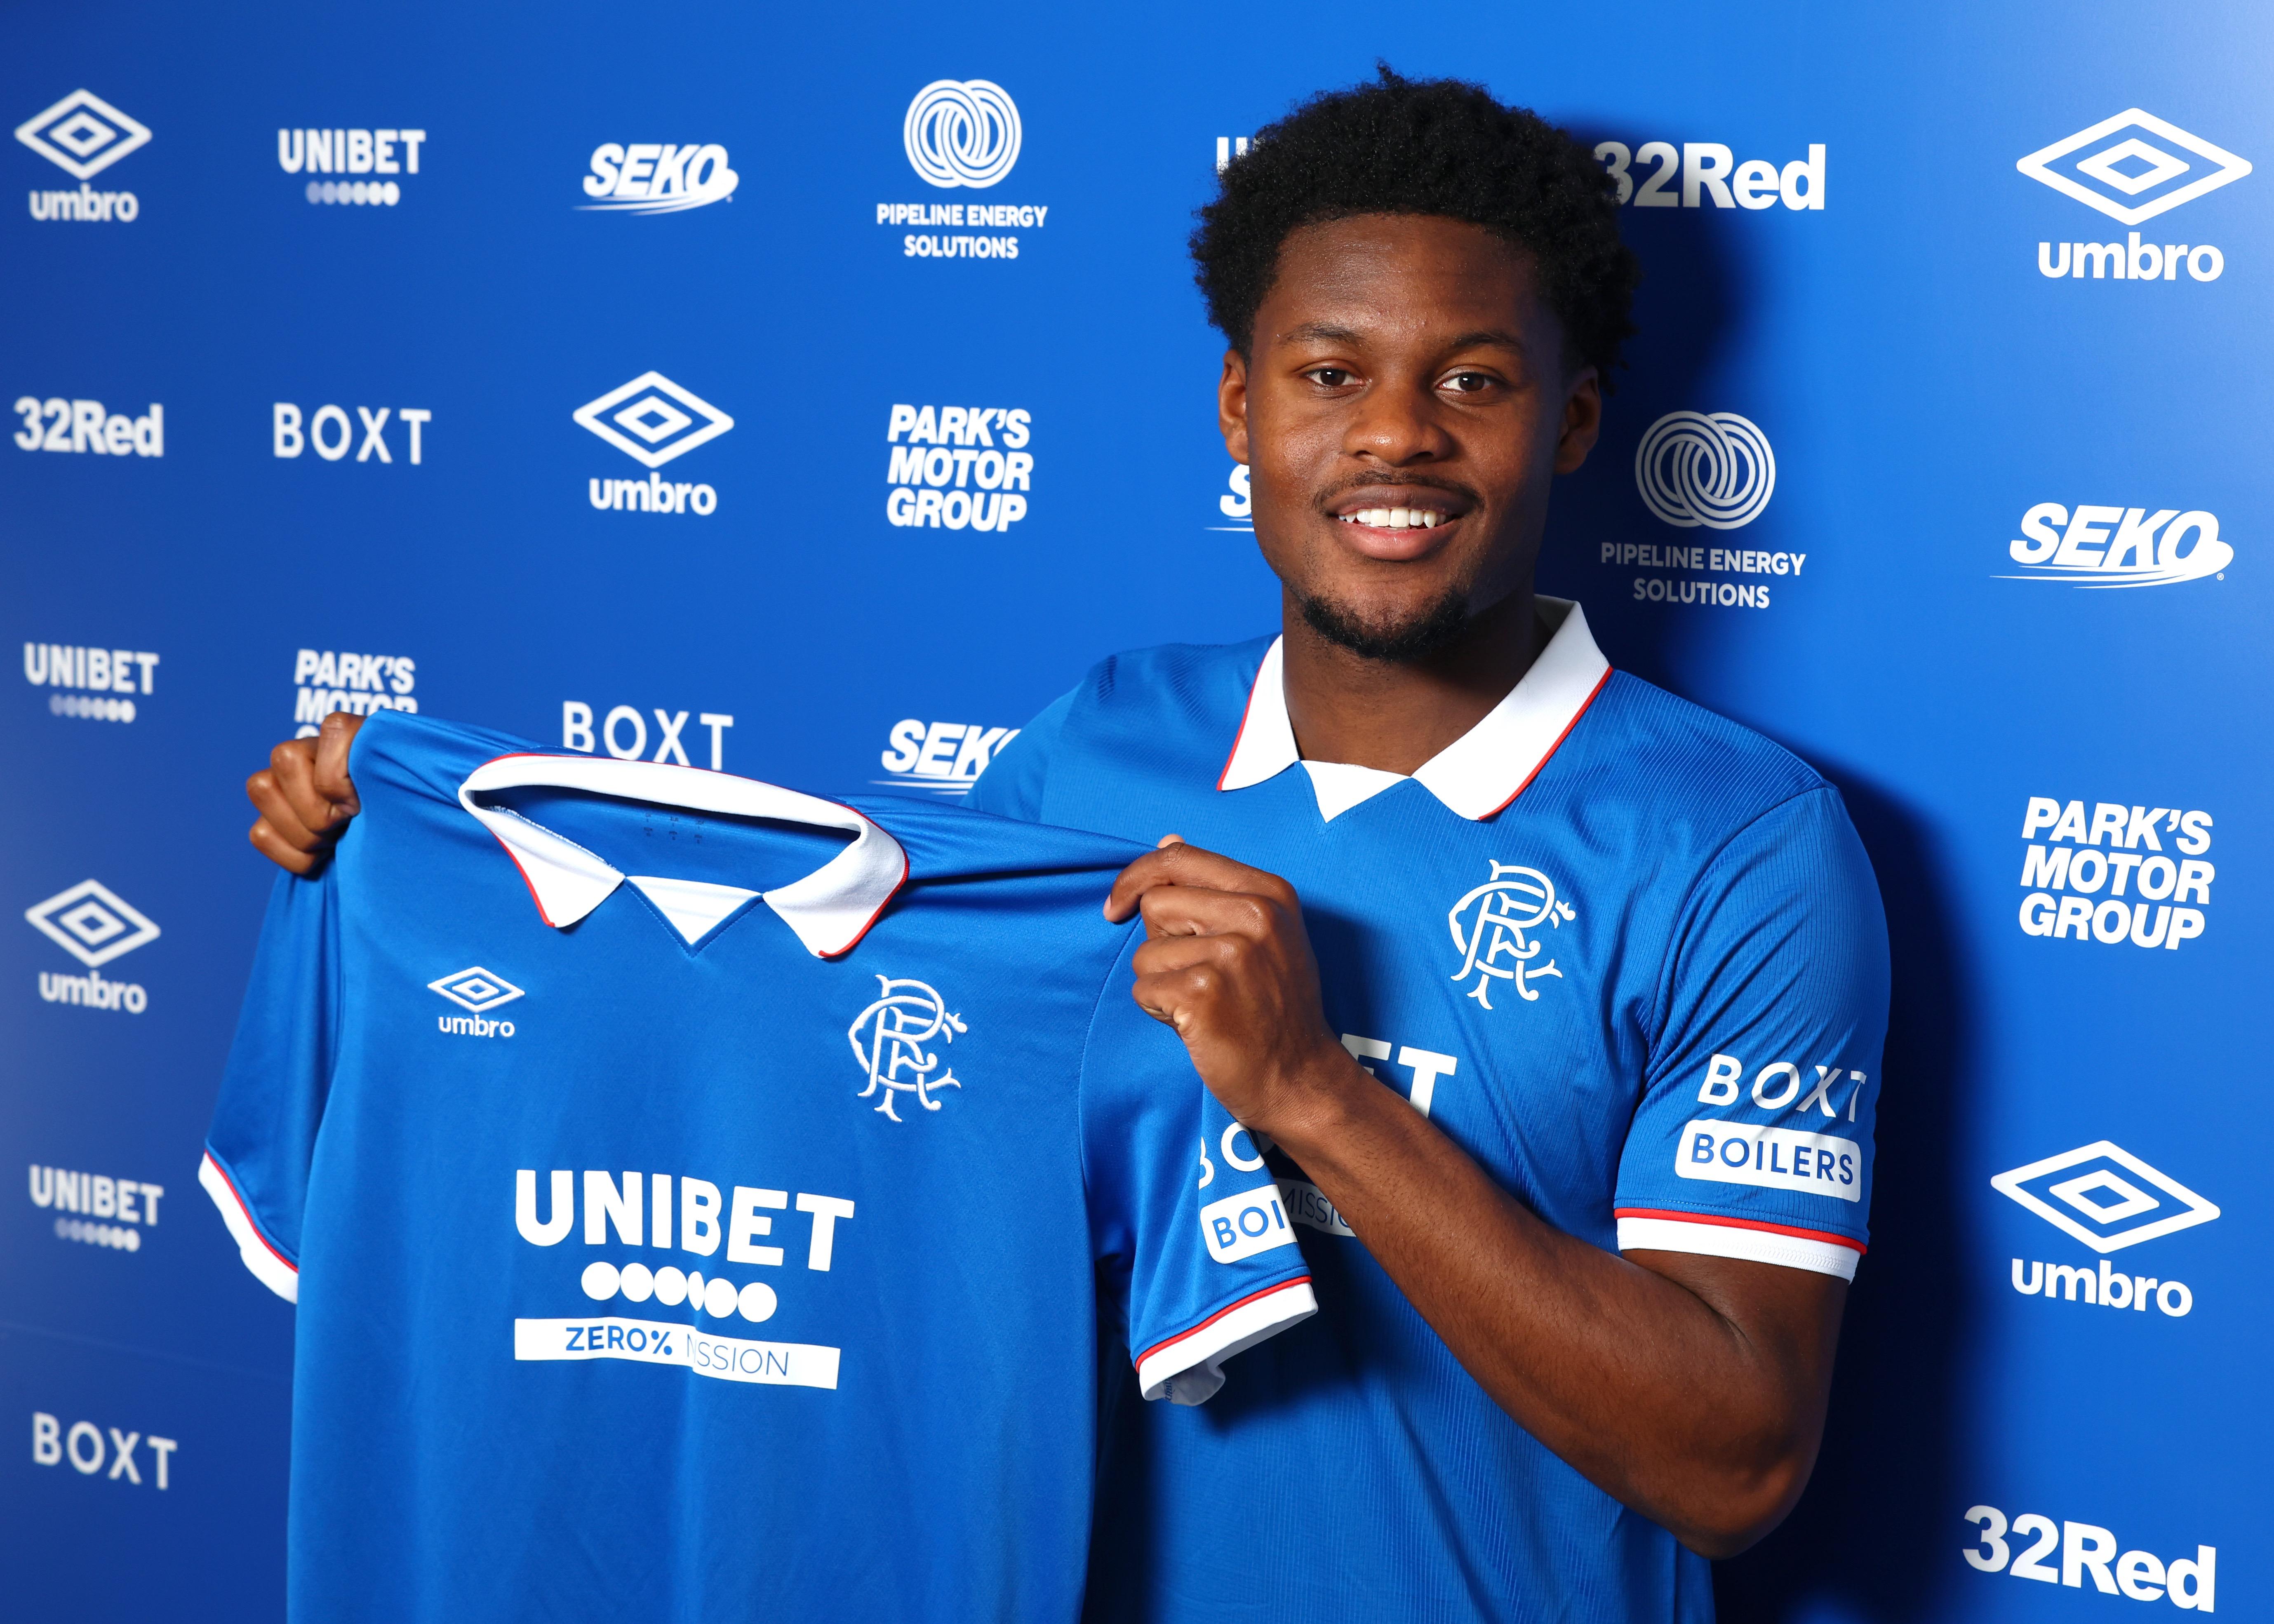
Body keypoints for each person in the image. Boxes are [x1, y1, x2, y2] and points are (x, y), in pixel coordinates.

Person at [248, 69, 1888, 1624]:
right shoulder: (1091, 753)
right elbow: (803, 1064)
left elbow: (1732, 1461)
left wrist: (1313, 1093)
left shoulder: (1736, 847)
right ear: (1240, 405)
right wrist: (404, 847)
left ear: (1575, 420)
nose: (1394, 434)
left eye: (1472, 380)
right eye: (1329, 373)